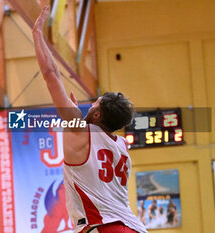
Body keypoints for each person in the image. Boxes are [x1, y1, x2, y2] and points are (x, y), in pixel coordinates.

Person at [32, 2, 148, 233]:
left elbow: (51, 74)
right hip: (134, 227)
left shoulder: (78, 128)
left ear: (96, 114)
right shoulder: (123, 146)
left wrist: (37, 34)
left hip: (105, 227)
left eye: (95, 102)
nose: (92, 102)